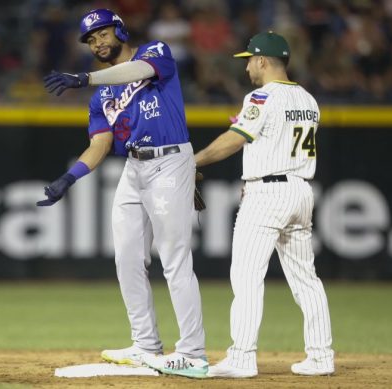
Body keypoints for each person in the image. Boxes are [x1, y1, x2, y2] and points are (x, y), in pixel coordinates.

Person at [38, 8, 208, 379]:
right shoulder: (101, 97)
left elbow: (137, 72)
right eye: (90, 39)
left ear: (119, 30)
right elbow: (99, 144)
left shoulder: (155, 52)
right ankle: (145, 344)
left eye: (102, 33)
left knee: (175, 259)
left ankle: (193, 352)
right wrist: (69, 178)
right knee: (127, 258)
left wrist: (84, 78)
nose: (97, 42)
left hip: (170, 160)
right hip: (135, 168)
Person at [193, 32, 335, 378]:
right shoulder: (308, 98)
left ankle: (242, 357)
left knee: (246, 276)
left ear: (261, 60)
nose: (246, 68)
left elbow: (234, 139)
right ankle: (321, 355)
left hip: (268, 193)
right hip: (301, 191)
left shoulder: (261, 96)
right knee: (306, 279)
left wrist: (193, 161)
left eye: (248, 61)